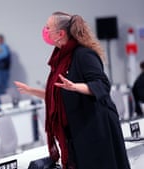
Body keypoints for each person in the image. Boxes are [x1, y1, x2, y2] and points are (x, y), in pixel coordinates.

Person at [14, 12, 130, 169]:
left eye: (48, 27)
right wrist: (30, 91)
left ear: (60, 34)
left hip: (96, 128)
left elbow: (102, 85)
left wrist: (76, 87)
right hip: (77, 130)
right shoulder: (60, 59)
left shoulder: (83, 54)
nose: (45, 30)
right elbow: (57, 94)